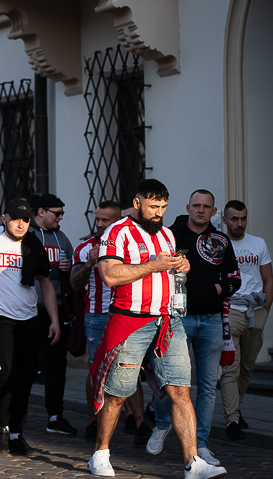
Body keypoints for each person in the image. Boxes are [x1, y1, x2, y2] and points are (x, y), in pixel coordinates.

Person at [87, 178, 226, 479]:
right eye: (152, 207)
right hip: (131, 320)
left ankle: (192, 463)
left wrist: (182, 269)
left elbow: (171, 274)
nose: (158, 213)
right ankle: (100, 453)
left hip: (168, 320)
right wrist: (154, 265)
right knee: (118, 392)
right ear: (137, 204)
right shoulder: (117, 232)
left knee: (180, 390)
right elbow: (109, 275)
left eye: (163, 207)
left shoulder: (166, 234)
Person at [148, 190, 240, 466]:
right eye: (196, 205)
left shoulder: (221, 241)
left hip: (211, 320)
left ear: (214, 212)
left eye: (206, 207)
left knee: (208, 386)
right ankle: (162, 424)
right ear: (187, 207)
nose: (200, 210)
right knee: (171, 381)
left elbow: (234, 278)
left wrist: (218, 287)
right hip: (178, 318)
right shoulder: (170, 235)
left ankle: (200, 444)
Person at [0, 198, 59, 457]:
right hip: (0, 319)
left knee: (25, 378)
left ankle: (17, 433)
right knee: (5, 376)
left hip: (29, 320)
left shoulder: (33, 246)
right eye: (16, 219)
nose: (21, 224)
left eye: (26, 220)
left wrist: (54, 319)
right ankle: (1, 429)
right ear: (4, 218)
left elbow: (45, 283)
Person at [70, 200, 147, 444]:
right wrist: (90, 263)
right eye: (98, 219)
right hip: (96, 315)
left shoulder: (131, 244)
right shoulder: (85, 248)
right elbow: (75, 283)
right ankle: (94, 422)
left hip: (127, 313)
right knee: (96, 369)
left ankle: (139, 422)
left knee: (129, 367)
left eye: (107, 220)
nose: (101, 224)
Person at [220, 200, 272, 440]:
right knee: (231, 366)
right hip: (231, 309)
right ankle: (232, 420)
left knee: (247, 366)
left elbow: (268, 279)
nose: (239, 224)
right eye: (234, 219)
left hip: (256, 310)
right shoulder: (218, 245)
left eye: (243, 219)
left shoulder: (258, 243)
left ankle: (236, 411)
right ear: (224, 219)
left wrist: (265, 310)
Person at [28, 193, 76, 436]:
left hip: (54, 311)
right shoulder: (25, 233)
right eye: (56, 213)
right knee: (24, 365)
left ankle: (55, 416)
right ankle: (15, 417)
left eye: (62, 214)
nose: (60, 218)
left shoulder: (61, 238)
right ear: (41, 212)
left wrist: (70, 269)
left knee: (57, 365)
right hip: (25, 311)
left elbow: (73, 273)